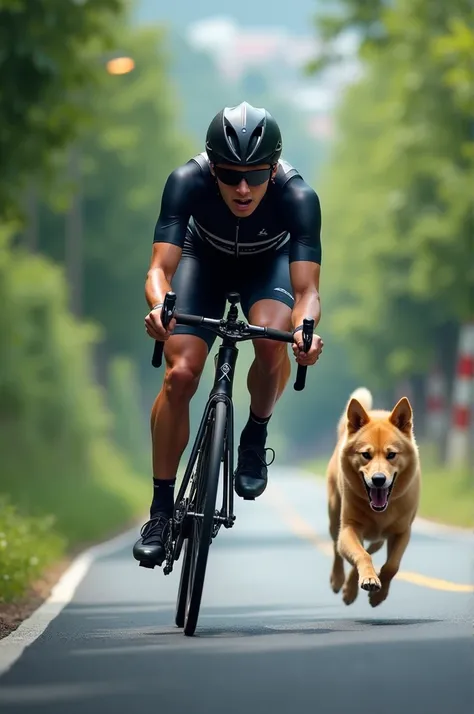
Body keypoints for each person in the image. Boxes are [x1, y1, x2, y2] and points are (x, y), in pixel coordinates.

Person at [133, 101, 323, 568]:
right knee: (180, 375)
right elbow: (160, 268)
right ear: (210, 166)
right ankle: (160, 511)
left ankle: (254, 435)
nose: (242, 188)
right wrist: (160, 306)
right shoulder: (186, 182)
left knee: (273, 336)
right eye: (229, 174)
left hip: (268, 264)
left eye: (256, 175)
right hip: (204, 260)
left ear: (274, 169)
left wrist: (305, 332)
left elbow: (307, 292)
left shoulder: (298, 198)